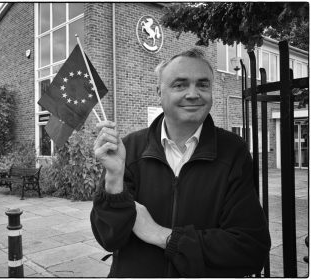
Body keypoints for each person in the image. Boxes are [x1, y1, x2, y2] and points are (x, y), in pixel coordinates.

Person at [91, 48, 271, 277]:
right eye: (180, 84)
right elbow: (109, 238)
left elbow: (250, 250)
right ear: (159, 92)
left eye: (203, 85)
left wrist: (163, 235)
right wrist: (114, 180)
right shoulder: (130, 150)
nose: (193, 93)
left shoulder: (233, 152)